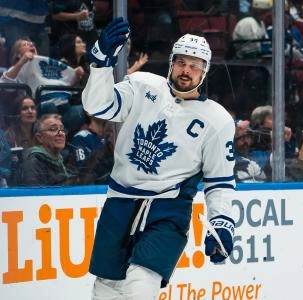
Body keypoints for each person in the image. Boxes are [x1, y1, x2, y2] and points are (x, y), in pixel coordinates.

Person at [82, 17, 236, 298]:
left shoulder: (218, 120)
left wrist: (221, 222)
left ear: (205, 72)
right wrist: (101, 64)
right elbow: (98, 105)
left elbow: (220, 181)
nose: (186, 70)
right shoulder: (142, 85)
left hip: (168, 210)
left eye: (194, 66)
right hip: (120, 201)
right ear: (171, 63)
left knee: (141, 285)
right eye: (181, 62)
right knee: (106, 289)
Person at [0, 38, 86, 134]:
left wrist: (76, 76)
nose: (31, 45)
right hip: (40, 107)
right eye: (25, 44)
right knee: (50, 106)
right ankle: (54, 135)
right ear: (18, 54)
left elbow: (65, 85)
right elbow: (5, 83)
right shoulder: (20, 66)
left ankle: (64, 136)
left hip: (65, 106)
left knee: (83, 110)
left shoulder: (49, 63)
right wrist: (22, 61)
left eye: (32, 44)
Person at [15, 114, 78, 186]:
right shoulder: (33, 162)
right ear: (40, 137)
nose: (61, 133)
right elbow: (36, 194)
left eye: (62, 129)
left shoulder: (63, 160)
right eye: (53, 129)